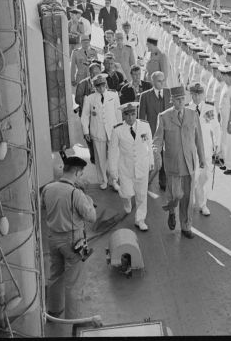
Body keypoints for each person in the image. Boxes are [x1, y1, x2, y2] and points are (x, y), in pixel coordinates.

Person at [41, 156, 96, 319]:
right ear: (77, 172)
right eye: (81, 173)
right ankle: (73, 320)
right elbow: (91, 217)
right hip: (72, 243)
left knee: (55, 275)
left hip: (52, 239)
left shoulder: (48, 188)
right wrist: (88, 199)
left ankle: (54, 311)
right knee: (73, 284)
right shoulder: (76, 194)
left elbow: (43, 206)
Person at [153, 86, 206, 239]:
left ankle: (186, 226)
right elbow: (157, 139)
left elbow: (199, 138)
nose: (181, 102)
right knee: (176, 194)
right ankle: (171, 211)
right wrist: (156, 154)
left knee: (188, 198)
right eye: (177, 99)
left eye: (183, 99)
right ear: (172, 101)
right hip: (173, 163)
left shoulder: (192, 114)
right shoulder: (164, 116)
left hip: (189, 162)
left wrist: (202, 157)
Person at [108, 102, 153, 231]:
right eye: (127, 115)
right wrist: (113, 170)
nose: (130, 118)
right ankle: (126, 202)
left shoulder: (145, 126)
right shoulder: (117, 130)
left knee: (141, 195)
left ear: (136, 113)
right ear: (123, 115)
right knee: (126, 193)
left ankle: (140, 220)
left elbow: (149, 145)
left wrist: (151, 162)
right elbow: (113, 151)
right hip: (125, 168)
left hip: (142, 167)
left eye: (133, 114)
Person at [80, 73, 121, 190]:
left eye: (103, 85)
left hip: (112, 131)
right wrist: (86, 131)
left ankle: (114, 180)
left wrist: (120, 128)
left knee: (114, 157)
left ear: (106, 84)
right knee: (100, 158)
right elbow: (85, 116)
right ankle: (103, 180)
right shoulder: (90, 98)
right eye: (98, 86)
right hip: (97, 132)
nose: (101, 88)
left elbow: (118, 113)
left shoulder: (113, 95)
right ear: (94, 87)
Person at [188, 82, 221, 216]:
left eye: (199, 94)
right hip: (192, 149)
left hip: (207, 149)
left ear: (203, 94)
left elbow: (216, 128)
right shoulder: (187, 109)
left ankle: (203, 204)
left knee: (205, 177)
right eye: (194, 94)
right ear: (191, 94)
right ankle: (191, 204)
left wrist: (217, 145)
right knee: (192, 178)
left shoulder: (209, 109)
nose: (196, 97)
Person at [139, 71, 171, 191]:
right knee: (151, 159)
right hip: (152, 133)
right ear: (153, 81)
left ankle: (163, 180)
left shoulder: (169, 93)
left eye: (163, 80)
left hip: (168, 132)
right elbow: (141, 118)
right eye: (159, 81)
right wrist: (143, 136)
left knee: (165, 157)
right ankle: (146, 180)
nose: (162, 83)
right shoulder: (145, 96)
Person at [218, 65, 231, 174]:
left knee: (230, 142)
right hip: (224, 118)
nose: (220, 75)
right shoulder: (226, 85)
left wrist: (230, 122)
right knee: (225, 140)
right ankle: (227, 163)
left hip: (230, 119)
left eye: (222, 74)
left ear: (227, 75)